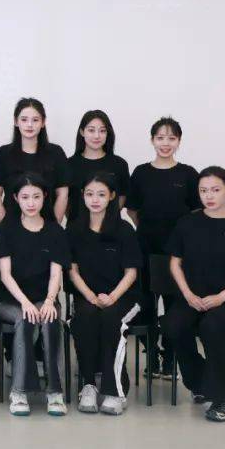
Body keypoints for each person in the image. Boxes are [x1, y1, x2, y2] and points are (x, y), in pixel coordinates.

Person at [162, 166, 225, 422]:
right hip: (191, 297)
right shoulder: (187, 223)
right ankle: (200, 382)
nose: (209, 195)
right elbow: (175, 263)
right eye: (203, 190)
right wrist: (187, 295)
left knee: (212, 325)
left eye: (215, 190)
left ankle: (221, 398)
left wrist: (221, 297)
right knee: (172, 325)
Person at [125, 116, 200, 378]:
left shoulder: (188, 174)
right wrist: (146, 228)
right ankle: (152, 355)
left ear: (179, 141)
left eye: (171, 138)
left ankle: (170, 359)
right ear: (152, 140)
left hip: (177, 254)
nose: (165, 143)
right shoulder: (141, 172)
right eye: (160, 138)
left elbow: (197, 212)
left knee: (174, 307)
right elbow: (132, 209)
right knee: (145, 305)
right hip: (145, 250)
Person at [0, 173, 69, 416]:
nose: (31, 203)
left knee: (50, 320)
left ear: (45, 197)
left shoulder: (55, 231)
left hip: (44, 298)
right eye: (25, 197)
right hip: (11, 301)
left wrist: (49, 301)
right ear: (15, 198)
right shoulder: (6, 229)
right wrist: (25, 303)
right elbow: (5, 275)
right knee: (25, 319)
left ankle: (55, 392)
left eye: (36, 196)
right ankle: (19, 392)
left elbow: (56, 274)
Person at [66, 172, 142, 415]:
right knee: (84, 318)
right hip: (88, 295)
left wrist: (112, 297)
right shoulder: (75, 229)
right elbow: (72, 271)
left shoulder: (124, 229)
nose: (95, 199)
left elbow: (131, 272)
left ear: (111, 196)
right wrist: (90, 296)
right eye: (90, 194)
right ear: (83, 196)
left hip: (123, 297)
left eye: (101, 194)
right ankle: (89, 384)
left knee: (111, 318)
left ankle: (114, 390)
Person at [0, 98, 69, 224]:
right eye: (24, 119)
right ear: (16, 121)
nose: (29, 125)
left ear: (43, 122)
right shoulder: (3, 154)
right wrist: (5, 227)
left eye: (35, 120)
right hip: (11, 227)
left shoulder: (56, 153)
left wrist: (54, 227)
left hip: (47, 226)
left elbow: (63, 193)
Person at [65, 109, 130, 222]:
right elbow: (65, 199)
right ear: (82, 132)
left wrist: (109, 216)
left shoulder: (119, 164)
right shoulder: (69, 164)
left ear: (107, 133)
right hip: (77, 228)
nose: (97, 136)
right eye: (91, 130)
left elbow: (122, 196)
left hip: (110, 228)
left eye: (102, 131)